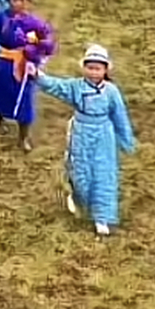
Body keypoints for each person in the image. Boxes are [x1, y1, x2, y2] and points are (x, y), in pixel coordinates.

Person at [35, 44, 137, 237]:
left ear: (105, 70)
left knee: (103, 175)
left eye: (97, 68)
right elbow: (56, 86)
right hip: (81, 134)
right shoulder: (75, 87)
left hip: (103, 137)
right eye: (89, 67)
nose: (93, 72)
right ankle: (77, 197)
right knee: (81, 173)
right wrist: (38, 76)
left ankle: (102, 218)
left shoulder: (112, 91)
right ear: (83, 68)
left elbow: (120, 116)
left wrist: (126, 140)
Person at [0, 0, 55, 151]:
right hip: (3, 64)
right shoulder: (1, 18)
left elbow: (45, 38)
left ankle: (23, 137)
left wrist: (38, 49)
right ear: (8, 0)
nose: (19, 3)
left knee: (24, 99)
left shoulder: (34, 22)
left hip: (24, 66)